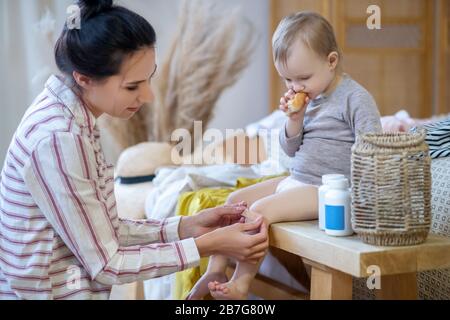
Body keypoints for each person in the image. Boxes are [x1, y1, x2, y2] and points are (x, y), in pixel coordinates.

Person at [0, 0, 269, 300]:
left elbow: (102, 231)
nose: (149, 95)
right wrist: (208, 245)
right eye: (133, 86)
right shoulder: (59, 139)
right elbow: (107, 264)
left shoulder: (67, 116)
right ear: (84, 78)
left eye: (149, 78)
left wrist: (186, 226)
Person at [188, 11, 382, 300]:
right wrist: (294, 119)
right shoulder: (309, 99)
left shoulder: (355, 98)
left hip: (324, 190)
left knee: (260, 212)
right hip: (296, 179)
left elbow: (373, 147)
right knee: (233, 203)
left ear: (331, 61)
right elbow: (290, 150)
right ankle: (215, 269)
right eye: (287, 79)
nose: (295, 87)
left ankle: (241, 281)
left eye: (303, 77)